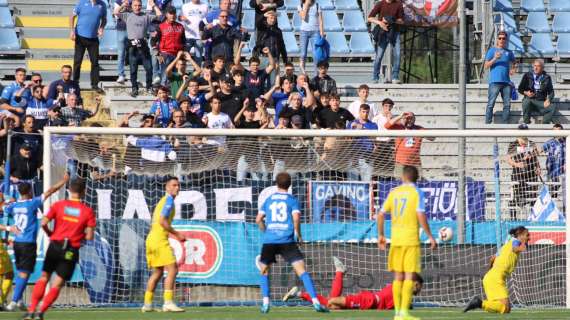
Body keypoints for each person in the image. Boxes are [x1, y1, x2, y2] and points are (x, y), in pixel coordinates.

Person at [23, 178, 96, 320]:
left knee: (44, 277)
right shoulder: (87, 211)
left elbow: (43, 223)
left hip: (55, 245)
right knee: (57, 284)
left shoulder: (59, 205)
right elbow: (89, 237)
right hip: (70, 250)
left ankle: (31, 310)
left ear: (69, 190)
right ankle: (40, 313)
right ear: (84, 192)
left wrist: (51, 234)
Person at [256, 172, 328, 313]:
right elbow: (296, 219)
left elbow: (258, 219)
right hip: (287, 240)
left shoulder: (269, 199)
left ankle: (265, 303)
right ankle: (316, 302)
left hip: (270, 240)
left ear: (276, 184)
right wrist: (299, 235)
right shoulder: (292, 200)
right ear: (289, 185)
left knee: (264, 271)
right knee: (302, 272)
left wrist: (265, 231)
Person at [377, 165, 437, 320]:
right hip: (410, 240)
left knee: (397, 277)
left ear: (403, 177)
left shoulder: (394, 192)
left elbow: (381, 214)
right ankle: (403, 312)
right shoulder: (416, 192)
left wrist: (381, 235)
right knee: (409, 277)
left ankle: (397, 313)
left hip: (396, 240)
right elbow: (420, 214)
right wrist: (430, 236)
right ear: (416, 178)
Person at [2, 175, 69, 311]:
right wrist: (63, 181)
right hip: (28, 244)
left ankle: (19, 300)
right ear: (30, 192)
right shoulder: (32, 203)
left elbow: (3, 207)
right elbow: (50, 191)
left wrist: (7, 201)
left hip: (17, 243)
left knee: (21, 272)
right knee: (24, 273)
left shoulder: (13, 206)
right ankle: (13, 302)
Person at [284, 257, 423, 310]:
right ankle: (339, 272)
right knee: (331, 302)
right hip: (368, 301)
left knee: (330, 304)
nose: (418, 290)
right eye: (418, 285)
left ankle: (300, 293)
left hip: (370, 303)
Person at [142, 176, 185, 313]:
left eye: (178, 185)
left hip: (151, 239)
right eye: (173, 185)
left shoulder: (163, 200)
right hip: (159, 239)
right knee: (173, 269)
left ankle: (147, 305)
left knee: (158, 272)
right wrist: (177, 234)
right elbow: (162, 221)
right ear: (166, 187)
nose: (177, 188)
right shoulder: (169, 200)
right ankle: (168, 302)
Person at [464, 226, 530, 314]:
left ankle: (480, 304)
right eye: (527, 235)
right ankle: (479, 303)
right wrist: (521, 248)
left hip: (491, 277)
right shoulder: (515, 242)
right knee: (505, 308)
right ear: (520, 235)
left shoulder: (505, 246)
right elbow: (515, 248)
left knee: (504, 308)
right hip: (496, 278)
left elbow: (492, 259)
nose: (529, 238)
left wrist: (490, 272)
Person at [115, 0, 163, 97]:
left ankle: (149, 87)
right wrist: (123, 4)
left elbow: (159, 15)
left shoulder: (146, 16)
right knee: (133, 70)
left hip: (143, 46)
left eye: (139, 5)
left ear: (142, 6)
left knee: (149, 68)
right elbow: (116, 12)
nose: (137, 7)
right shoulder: (127, 15)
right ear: (132, 6)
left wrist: (153, 5)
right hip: (132, 47)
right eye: (135, 5)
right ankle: (134, 88)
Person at [70, 0, 107, 91]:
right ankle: (75, 82)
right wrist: (71, 30)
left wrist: (101, 27)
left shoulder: (102, 4)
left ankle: (94, 84)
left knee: (95, 62)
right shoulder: (82, 2)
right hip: (80, 36)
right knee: (77, 61)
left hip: (93, 38)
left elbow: (104, 19)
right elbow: (72, 16)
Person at [385, 112, 434, 178]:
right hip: (400, 163)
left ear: (414, 120)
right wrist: (400, 116)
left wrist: (424, 134)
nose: (409, 120)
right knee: (400, 183)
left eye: (411, 119)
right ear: (404, 119)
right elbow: (387, 126)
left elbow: (432, 138)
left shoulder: (419, 129)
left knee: (417, 184)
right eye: (407, 118)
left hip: (415, 163)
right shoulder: (399, 127)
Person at [507, 124, 540, 220]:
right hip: (518, 175)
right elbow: (508, 159)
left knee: (533, 197)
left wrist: (538, 167)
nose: (524, 132)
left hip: (531, 175)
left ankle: (533, 218)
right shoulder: (513, 144)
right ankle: (513, 218)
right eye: (522, 130)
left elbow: (536, 156)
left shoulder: (531, 143)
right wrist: (517, 164)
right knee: (514, 196)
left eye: (525, 130)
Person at [368, 0, 404, 84]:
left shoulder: (398, 4)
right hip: (382, 32)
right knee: (379, 56)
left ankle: (395, 76)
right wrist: (380, 22)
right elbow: (369, 18)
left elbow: (402, 20)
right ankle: (375, 77)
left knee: (398, 54)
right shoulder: (380, 3)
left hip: (395, 32)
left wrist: (392, 20)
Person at [484, 31, 516, 124]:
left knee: (507, 104)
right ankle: (487, 124)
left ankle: (505, 124)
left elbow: (514, 62)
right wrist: (495, 58)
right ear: (497, 39)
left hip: (506, 82)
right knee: (491, 104)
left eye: (504, 38)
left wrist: (513, 69)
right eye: (500, 38)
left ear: (506, 40)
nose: (502, 40)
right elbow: (486, 66)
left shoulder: (509, 52)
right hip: (495, 82)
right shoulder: (492, 51)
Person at [153, 6, 186, 86]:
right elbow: (153, 41)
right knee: (165, 76)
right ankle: (163, 91)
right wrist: (157, 54)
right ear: (166, 14)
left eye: (174, 13)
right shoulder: (160, 26)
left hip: (177, 54)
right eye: (170, 13)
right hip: (165, 53)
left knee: (176, 75)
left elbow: (183, 41)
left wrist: (182, 54)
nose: (173, 15)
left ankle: (173, 92)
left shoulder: (180, 26)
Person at [518, 59, 555, 124]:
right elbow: (520, 89)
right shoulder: (527, 75)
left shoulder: (547, 77)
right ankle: (526, 123)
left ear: (542, 68)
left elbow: (551, 91)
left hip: (541, 102)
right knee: (526, 101)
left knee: (552, 107)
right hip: (530, 100)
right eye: (534, 66)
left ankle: (544, 126)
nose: (536, 68)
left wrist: (548, 99)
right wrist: (526, 93)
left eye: (538, 66)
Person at [298, 0, 324, 75]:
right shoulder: (300, 6)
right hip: (304, 32)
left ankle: (316, 75)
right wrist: (306, 4)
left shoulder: (317, 5)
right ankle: (302, 74)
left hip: (315, 32)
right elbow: (303, 17)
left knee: (315, 55)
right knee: (303, 54)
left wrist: (322, 33)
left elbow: (320, 20)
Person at [180, 0, 208, 65]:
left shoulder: (205, 6)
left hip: (199, 37)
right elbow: (179, 17)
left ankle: (196, 74)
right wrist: (181, 18)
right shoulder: (185, 6)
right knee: (183, 57)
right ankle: (182, 74)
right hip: (187, 36)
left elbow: (206, 20)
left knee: (198, 58)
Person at [541, 124, 565, 198]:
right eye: (554, 131)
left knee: (565, 191)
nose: (556, 133)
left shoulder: (567, 141)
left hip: (564, 170)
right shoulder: (550, 142)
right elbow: (541, 150)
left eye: (558, 131)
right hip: (552, 169)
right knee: (553, 191)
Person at [113, 0, 133, 84]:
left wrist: (129, 7)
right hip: (121, 30)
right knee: (121, 53)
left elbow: (137, 13)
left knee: (133, 53)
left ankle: (133, 75)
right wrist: (123, 5)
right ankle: (121, 74)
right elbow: (115, 14)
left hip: (133, 30)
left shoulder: (134, 1)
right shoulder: (118, 1)